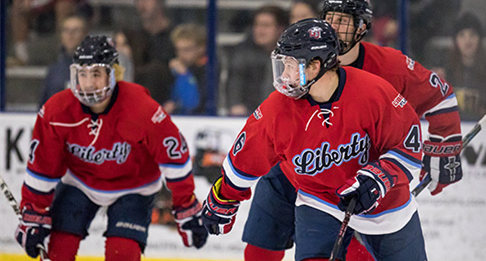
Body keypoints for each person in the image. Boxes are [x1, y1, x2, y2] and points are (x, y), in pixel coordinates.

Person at [234, 1, 464, 260]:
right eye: (330, 18)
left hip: (357, 180)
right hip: (295, 170)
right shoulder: (297, 60)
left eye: (343, 21)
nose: (333, 26)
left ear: (362, 27)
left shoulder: (390, 67)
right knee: (261, 248)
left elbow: (440, 97)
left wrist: (444, 148)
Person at [202, 18, 427, 261]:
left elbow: (408, 145)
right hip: (319, 202)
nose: (284, 76)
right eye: (282, 65)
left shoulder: (373, 92)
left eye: (291, 65)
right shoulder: (277, 109)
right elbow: (246, 157)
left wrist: (379, 178)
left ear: (316, 65)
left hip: (387, 206)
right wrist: (223, 196)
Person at [14, 35, 208, 261]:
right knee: (60, 249)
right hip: (80, 182)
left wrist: (186, 207)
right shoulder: (57, 111)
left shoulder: (141, 108)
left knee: (122, 253)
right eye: (82, 74)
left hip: (135, 187)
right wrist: (34, 213)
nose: (87, 83)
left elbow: (175, 158)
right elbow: (42, 168)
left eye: (96, 74)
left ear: (113, 73)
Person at [226, 5, 288, 116]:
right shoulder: (242, 52)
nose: (260, 30)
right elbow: (235, 82)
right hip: (248, 114)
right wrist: (235, 104)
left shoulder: (291, 55)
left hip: (280, 114)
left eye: (266, 25)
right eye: (257, 25)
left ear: (280, 28)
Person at [128, 0, 175, 104]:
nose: (142, 4)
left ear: (160, 2)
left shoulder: (175, 36)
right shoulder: (131, 36)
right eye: (137, 1)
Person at [39, 14, 89, 107]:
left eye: (75, 31)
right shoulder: (54, 70)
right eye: (66, 30)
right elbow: (43, 107)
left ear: (85, 35)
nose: (70, 35)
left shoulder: (97, 69)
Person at [444, 12, 486, 120]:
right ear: (455, 40)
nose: (468, 40)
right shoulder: (446, 72)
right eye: (462, 35)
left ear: (479, 39)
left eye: (472, 34)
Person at [164, 23, 209, 115]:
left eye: (186, 49)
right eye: (178, 50)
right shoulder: (173, 69)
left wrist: (185, 75)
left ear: (201, 48)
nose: (181, 54)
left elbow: (192, 104)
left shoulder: (208, 69)